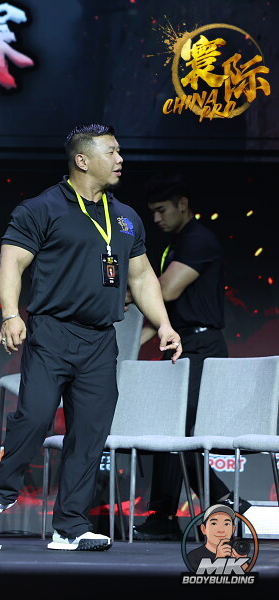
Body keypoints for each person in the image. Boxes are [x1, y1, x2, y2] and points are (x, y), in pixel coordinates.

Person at [0, 123, 182, 551]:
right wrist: (10, 314)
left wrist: (163, 324)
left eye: (119, 151)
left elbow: (141, 276)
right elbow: (11, 262)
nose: (120, 159)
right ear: (82, 160)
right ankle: (3, 488)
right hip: (52, 332)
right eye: (111, 152)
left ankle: (70, 525)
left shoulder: (125, 217)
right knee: (35, 416)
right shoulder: (41, 208)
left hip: (101, 339)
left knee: (89, 434)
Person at [133, 173, 246, 540]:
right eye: (152, 212)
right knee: (168, 431)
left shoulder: (198, 240)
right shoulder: (180, 243)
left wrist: (125, 296)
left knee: (176, 433)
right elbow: (163, 311)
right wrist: (128, 345)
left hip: (202, 348)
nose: (156, 219)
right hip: (183, 345)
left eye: (161, 210)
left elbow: (165, 291)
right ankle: (176, 513)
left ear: (183, 205)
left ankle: (200, 506)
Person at [186, 504, 248, 572]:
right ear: (204, 529)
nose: (221, 530)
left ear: (233, 529)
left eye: (226, 524)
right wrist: (218, 560)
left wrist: (242, 562)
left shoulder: (237, 552)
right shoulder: (193, 557)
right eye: (214, 523)